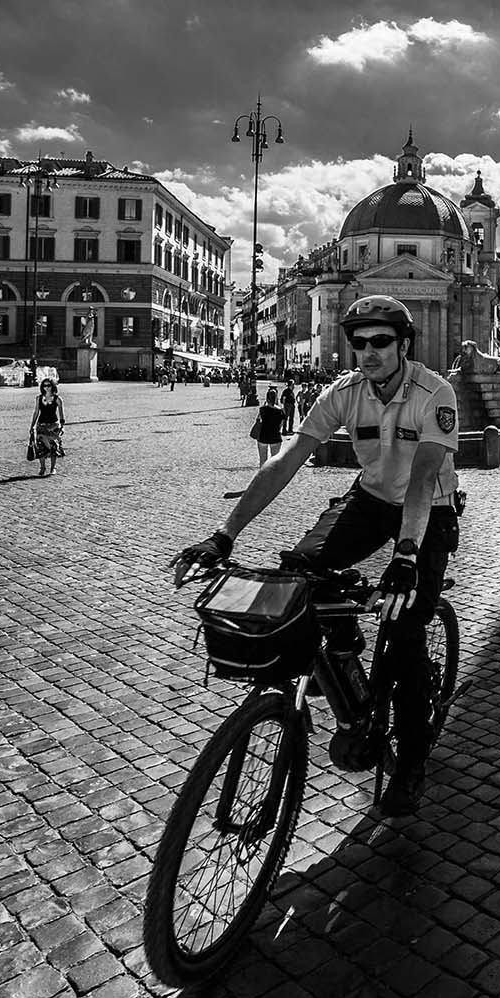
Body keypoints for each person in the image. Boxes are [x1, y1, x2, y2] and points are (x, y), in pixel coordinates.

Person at [172, 296, 462, 816]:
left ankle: (413, 762)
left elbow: (422, 479)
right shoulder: (345, 392)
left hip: (429, 512)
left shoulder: (433, 393)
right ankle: (342, 655)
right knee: (295, 573)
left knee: (405, 639)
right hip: (371, 500)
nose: (368, 352)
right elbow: (286, 461)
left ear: (403, 345)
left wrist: (407, 555)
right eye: (359, 343)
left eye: (380, 342)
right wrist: (224, 534)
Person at [29, 380, 65, 477]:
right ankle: (42, 467)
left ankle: (53, 468)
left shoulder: (57, 399)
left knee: (53, 447)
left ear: (52, 386)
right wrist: (32, 425)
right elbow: (36, 412)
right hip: (41, 424)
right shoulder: (39, 398)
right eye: (44, 386)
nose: (46, 387)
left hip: (53, 425)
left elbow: (61, 414)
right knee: (41, 447)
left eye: (49, 385)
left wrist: (62, 425)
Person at [252, 388, 286, 464]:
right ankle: (273, 475)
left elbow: (258, 420)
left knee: (263, 460)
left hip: (263, 436)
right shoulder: (280, 411)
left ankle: (263, 475)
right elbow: (281, 424)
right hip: (275, 436)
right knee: (274, 461)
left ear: (267, 398)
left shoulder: (262, 409)